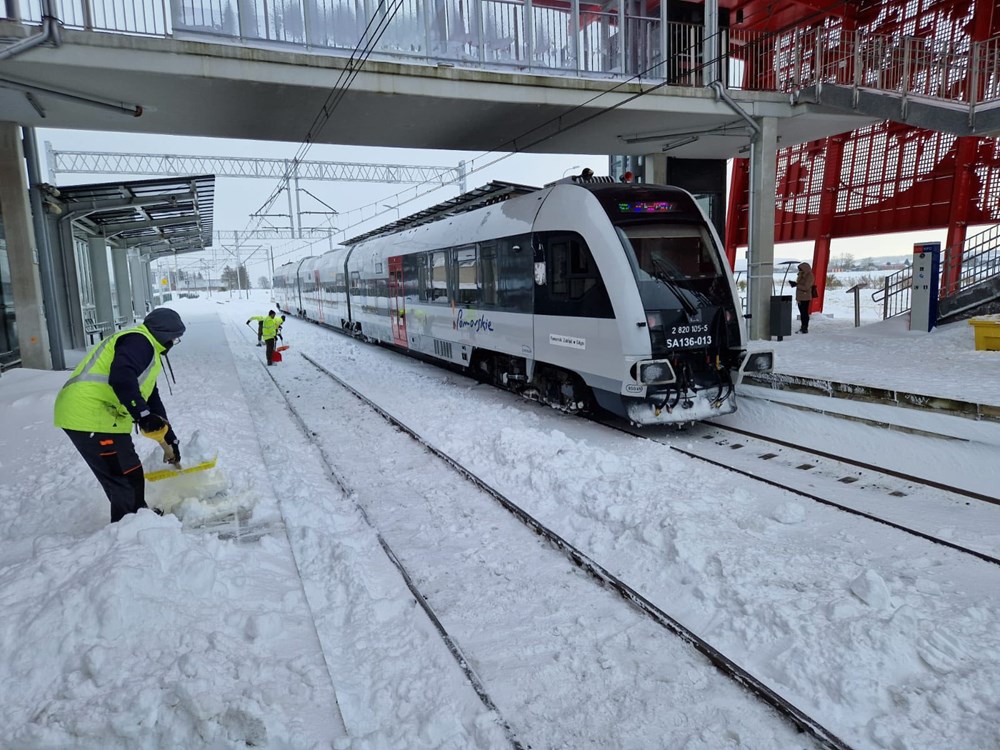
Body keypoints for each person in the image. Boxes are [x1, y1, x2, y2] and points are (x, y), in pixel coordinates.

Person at [53, 307, 185, 522]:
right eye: (175, 338)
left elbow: (152, 399)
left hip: (101, 416)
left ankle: (137, 517)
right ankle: (130, 528)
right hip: (89, 413)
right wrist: (142, 415)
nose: (174, 343)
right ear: (164, 334)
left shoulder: (147, 350)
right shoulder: (138, 341)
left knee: (128, 472)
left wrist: (170, 437)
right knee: (124, 475)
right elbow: (122, 378)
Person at [788, 262, 816, 333]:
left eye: (801, 269)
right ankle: (803, 327)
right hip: (800, 297)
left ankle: (804, 328)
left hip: (805, 297)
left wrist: (796, 285)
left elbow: (806, 287)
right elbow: (801, 284)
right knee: (802, 313)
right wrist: (795, 284)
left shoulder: (809, 276)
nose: (799, 271)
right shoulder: (802, 275)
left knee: (804, 313)